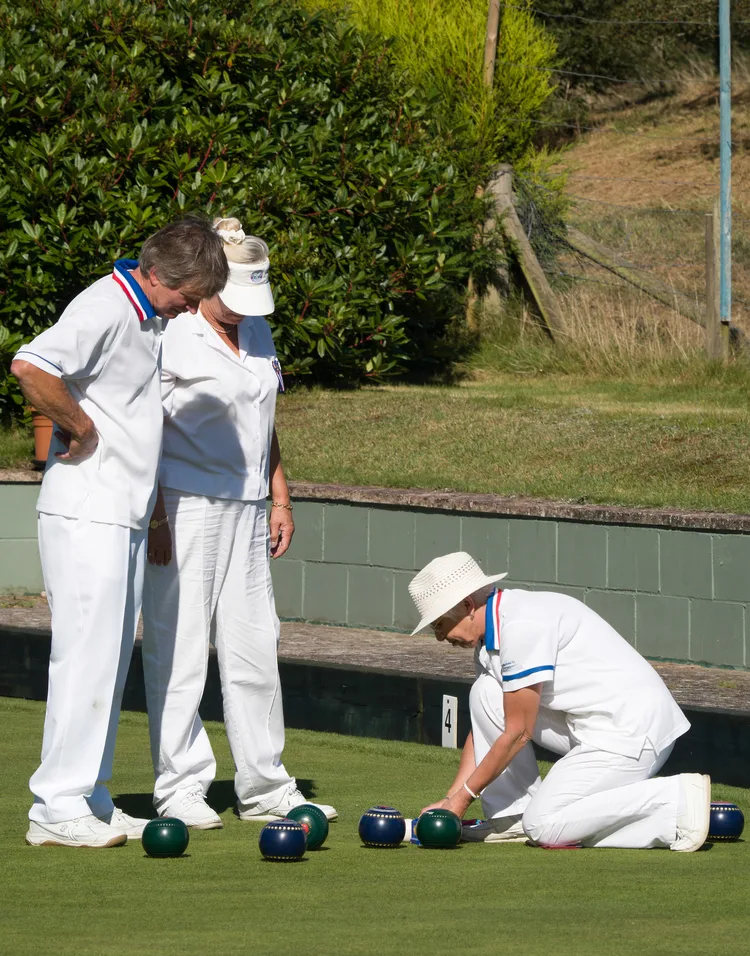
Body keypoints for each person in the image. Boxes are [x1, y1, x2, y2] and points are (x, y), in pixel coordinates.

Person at [11, 218, 229, 848]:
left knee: (107, 658)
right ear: (157, 274)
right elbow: (31, 365)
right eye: (189, 294)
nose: (193, 307)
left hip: (122, 513)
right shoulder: (105, 306)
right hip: (86, 509)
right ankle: (55, 805)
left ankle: (92, 798)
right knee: (84, 656)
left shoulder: (149, 319)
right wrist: (77, 428)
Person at [141, 217, 336, 830]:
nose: (240, 312)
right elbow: (144, 426)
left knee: (256, 648)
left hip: (250, 509)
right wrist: (156, 515)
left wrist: (281, 496)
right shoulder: (171, 333)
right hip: (185, 504)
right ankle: (179, 787)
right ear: (207, 282)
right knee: (181, 649)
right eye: (231, 299)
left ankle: (266, 787)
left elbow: (264, 419)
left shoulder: (258, 332)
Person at [409, 551, 711, 851]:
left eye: (439, 624)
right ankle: (511, 816)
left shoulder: (520, 626)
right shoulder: (492, 635)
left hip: (633, 731)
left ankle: (675, 802)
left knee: (543, 826)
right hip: (591, 727)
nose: (439, 637)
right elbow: (486, 725)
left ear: (467, 605)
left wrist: (463, 801)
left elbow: (517, 733)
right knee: (485, 692)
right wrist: (449, 800)